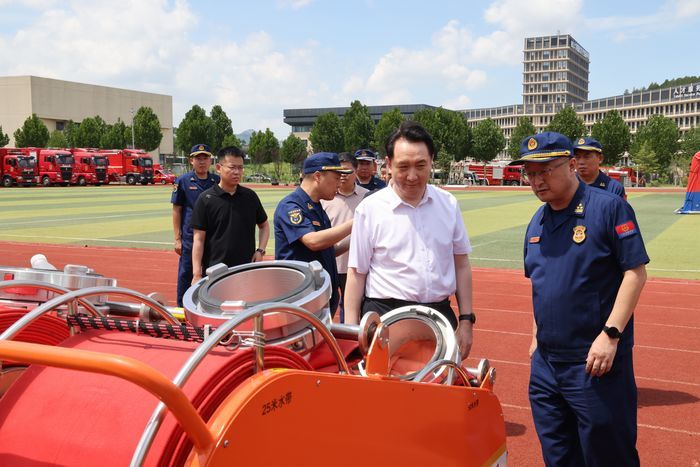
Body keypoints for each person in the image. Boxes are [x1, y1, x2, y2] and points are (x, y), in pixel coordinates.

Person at [515, 131, 649, 466]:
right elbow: (541, 285)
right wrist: (535, 340)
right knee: (559, 456)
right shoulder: (537, 222)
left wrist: (611, 335)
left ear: (572, 164)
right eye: (530, 173)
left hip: (594, 363)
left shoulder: (609, 208)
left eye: (546, 170)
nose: (537, 180)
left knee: (608, 455)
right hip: (547, 366)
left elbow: (635, 272)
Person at [344, 121, 475, 360]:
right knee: (385, 394)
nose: (412, 176)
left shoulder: (448, 204)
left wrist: (466, 320)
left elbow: (461, 264)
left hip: (440, 316)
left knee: (442, 391)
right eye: (403, 166)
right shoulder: (370, 209)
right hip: (386, 317)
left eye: (421, 165)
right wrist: (352, 331)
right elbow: (356, 273)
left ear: (432, 160)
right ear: (389, 164)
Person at [274, 152, 354, 315]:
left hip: (320, 298)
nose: (339, 184)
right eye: (336, 178)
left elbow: (327, 249)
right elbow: (313, 241)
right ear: (318, 176)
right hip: (301, 300)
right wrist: (356, 222)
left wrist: (357, 237)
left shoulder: (317, 207)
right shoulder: (291, 206)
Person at [189, 146, 269, 284]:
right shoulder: (206, 199)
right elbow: (199, 239)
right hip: (215, 271)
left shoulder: (250, 197)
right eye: (232, 167)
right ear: (219, 168)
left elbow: (264, 225)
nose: (237, 172)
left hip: (245, 268)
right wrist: (196, 273)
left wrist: (260, 251)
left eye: (240, 168)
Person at [320, 152, 369, 322]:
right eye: (339, 172)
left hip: (358, 265)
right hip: (331, 263)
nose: (343, 176)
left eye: (347, 172)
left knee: (354, 310)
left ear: (356, 172)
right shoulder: (325, 198)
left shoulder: (368, 197)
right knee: (327, 308)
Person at [171, 144, 219, 307]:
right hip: (190, 239)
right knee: (186, 275)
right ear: (191, 160)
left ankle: (206, 310)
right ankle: (182, 311)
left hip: (213, 239)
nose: (202, 162)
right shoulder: (183, 181)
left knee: (212, 275)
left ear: (210, 160)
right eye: (198, 158)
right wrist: (177, 239)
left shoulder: (216, 181)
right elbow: (177, 210)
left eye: (205, 158)